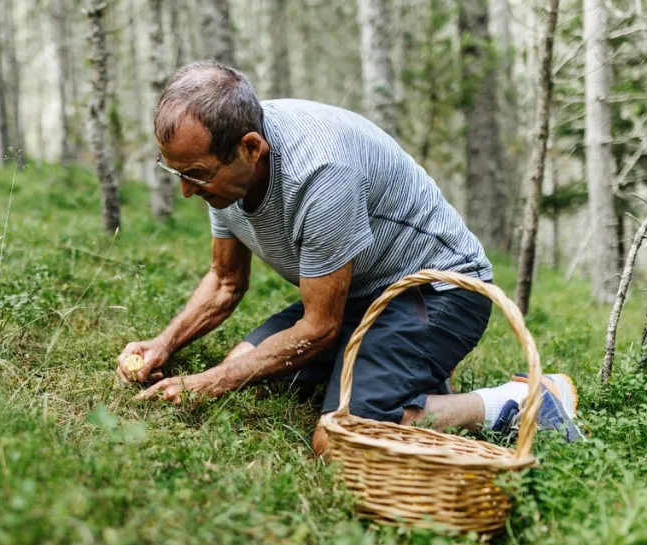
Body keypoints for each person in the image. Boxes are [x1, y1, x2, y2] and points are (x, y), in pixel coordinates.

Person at [117, 60, 582, 455]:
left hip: (436, 292)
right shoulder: (225, 171)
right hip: (354, 291)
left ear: (251, 149)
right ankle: (394, 373)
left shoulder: (321, 172)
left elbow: (318, 328)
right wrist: (165, 344)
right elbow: (224, 281)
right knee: (244, 362)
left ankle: (517, 401)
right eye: (175, 172)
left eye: (195, 175)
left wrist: (209, 382)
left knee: (337, 441)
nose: (184, 191)